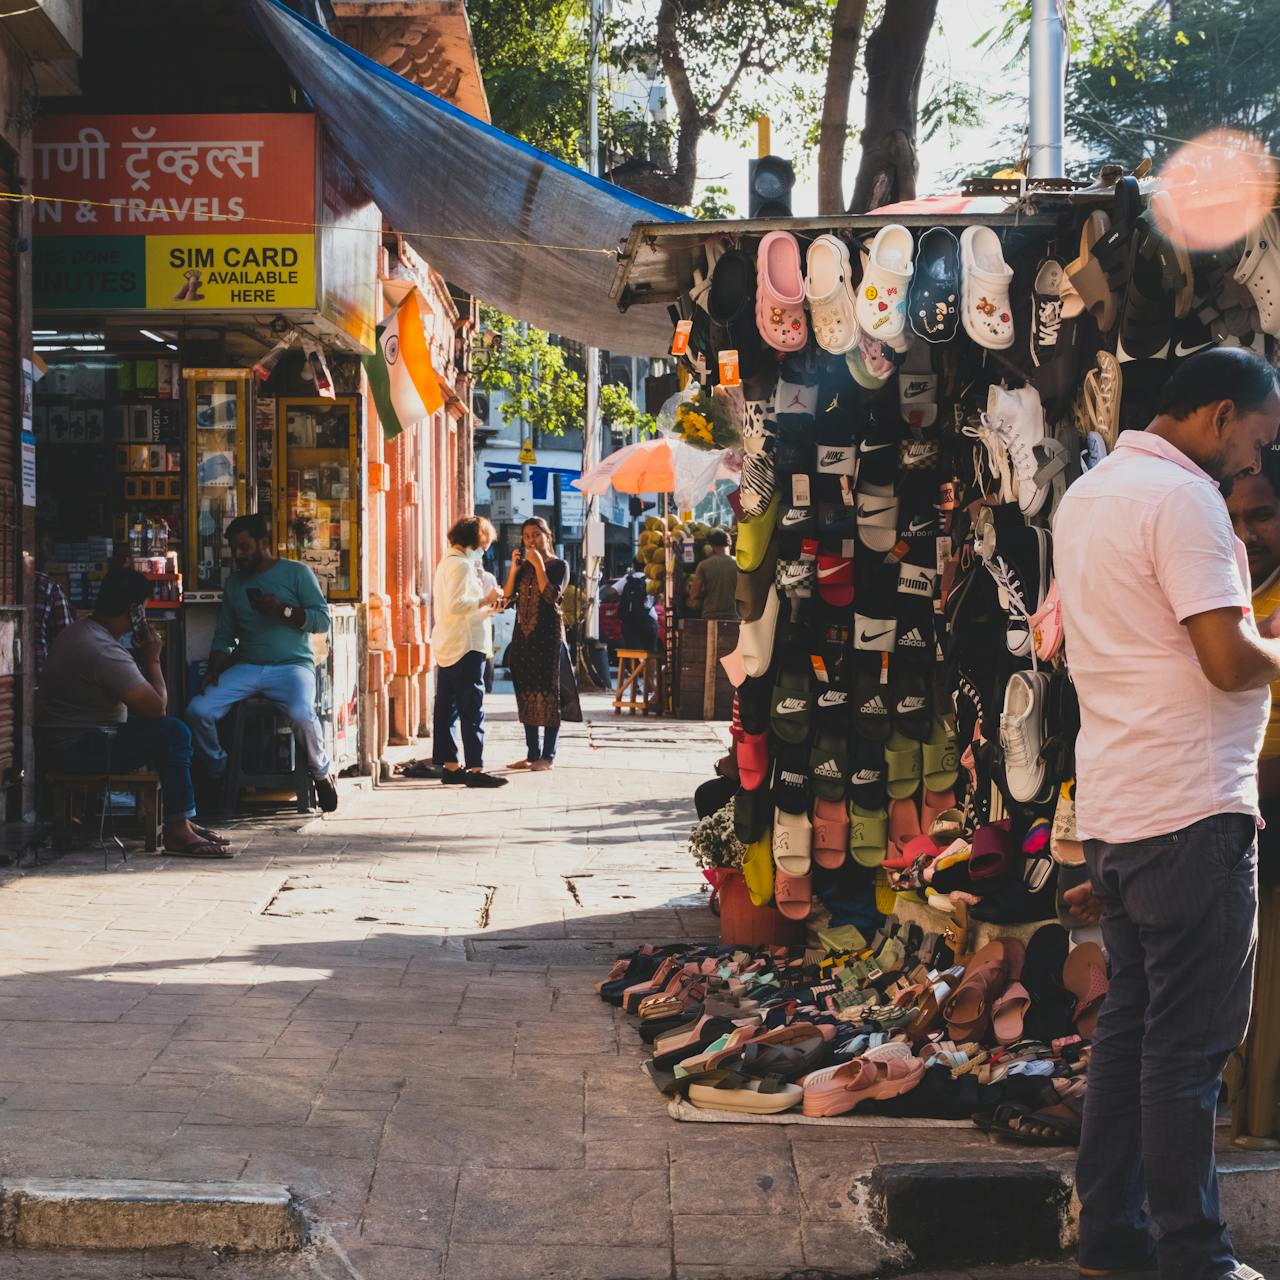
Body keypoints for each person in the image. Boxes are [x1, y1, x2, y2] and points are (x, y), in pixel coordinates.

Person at [1054, 347, 1280, 1280]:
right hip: (1190, 811)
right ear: (1220, 415)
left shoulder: (1090, 494)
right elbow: (1226, 659)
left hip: (1123, 811)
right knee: (1186, 1052)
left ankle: (1111, 1235)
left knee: (1133, 1039)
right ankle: (1196, 1255)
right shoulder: (1183, 501)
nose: (1256, 465)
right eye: (1257, 441)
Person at [36, 567, 229, 858]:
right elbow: (157, 708)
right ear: (135, 610)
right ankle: (178, 831)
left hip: (74, 739)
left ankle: (181, 818)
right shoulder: (101, 649)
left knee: (166, 731)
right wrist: (152, 659)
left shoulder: (83, 631)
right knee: (174, 732)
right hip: (76, 747)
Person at [185, 514, 338, 813]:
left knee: (301, 714)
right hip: (247, 666)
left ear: (263, 544)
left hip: (293, 666)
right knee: (197, 710)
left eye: (244, 547)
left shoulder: (296, 573)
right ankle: (219, 768)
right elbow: (225, 634)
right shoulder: (234, 585)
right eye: (234, 549)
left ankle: (321, 774)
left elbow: (321, 621)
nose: (238, 555)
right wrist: (214, 671)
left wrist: (283, 611)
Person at [1226, 445, 1280, 1148]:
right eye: (1233, 517)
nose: (1245, 532)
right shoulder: (1228, 591)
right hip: (1239, 807)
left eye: (1262, 515)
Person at [429, 515, 507, 788]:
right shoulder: (460, 565)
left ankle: (450, 765)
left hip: (451, 643)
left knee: (447, 707)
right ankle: (475, 768)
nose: (485, 548)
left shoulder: (447, 563)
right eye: (484, 541)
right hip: (465, 645)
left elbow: (461, 608)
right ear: (475, 539)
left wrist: (487, 609)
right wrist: (487, 598)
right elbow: (457, 605)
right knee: (472, 707)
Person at [503, 516, 579, 771]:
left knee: (548, 695)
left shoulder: (560, 565)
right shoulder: (523, 567)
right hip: (524, 639)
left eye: (536, 534)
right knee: (526, 693)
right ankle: (531, 753)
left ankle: (548, 756)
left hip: (548, 639)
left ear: (548, 536)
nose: (531, 540)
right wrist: (514, 570)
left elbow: (551, 596)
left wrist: (539, 567)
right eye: (526, 536)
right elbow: (506, 598)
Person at [32, 567, 74, 682]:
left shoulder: (48, 588)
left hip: (40, 675)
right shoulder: (48, 587)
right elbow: (67, 642)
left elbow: (66, 640)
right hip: (41, 675)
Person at [689, 528, 737, 618]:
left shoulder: (703, 565)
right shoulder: (739, 564)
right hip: (734, 616)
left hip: (711, 616)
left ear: (712, 546)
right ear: (730, 544)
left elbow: (694, 594)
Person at [615, 556, 659, 652]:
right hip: (648, 621)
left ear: (634, 566)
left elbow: (610, 591)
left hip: (629, 622)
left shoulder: (627, 579)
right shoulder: (650, 580)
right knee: (651, 652)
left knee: (632, 651)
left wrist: (623, 597)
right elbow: (660, 596)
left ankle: (634, 667)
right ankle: (649, 666)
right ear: (647, 566)